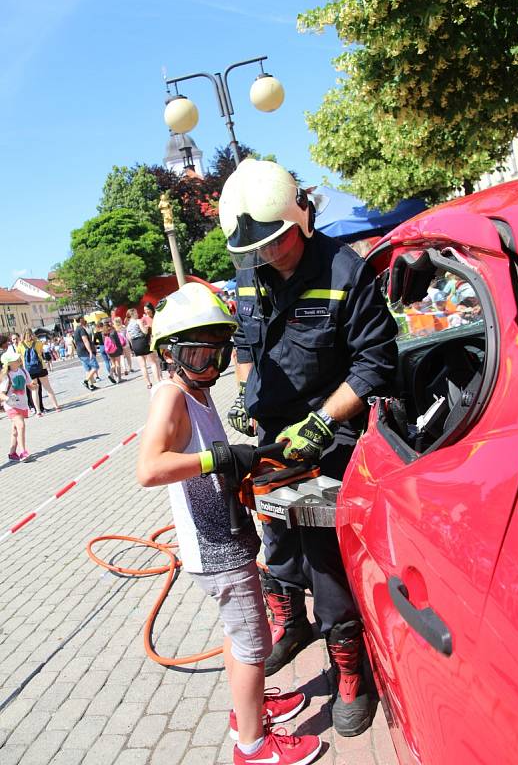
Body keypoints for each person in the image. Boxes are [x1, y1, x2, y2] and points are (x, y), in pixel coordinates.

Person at [219, 159, 398, 737]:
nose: (267, 255)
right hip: (273, 437)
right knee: (276, 541)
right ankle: (290, 625)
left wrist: (322, 422)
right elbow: (248, 341)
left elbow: (376, 362)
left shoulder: (347, 271)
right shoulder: (251, 270)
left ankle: (350, 670)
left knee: (325, 559)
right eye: (257, 248)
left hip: (332, 432)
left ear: (303, 219)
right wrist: (245, 391)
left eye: (276, 241)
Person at [137, 284, 321, 765]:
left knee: (239, 634)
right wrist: (215, 457)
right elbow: (149, 468)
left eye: (217, 354)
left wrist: (250, 461)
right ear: (169, 354)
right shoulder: (171, 396)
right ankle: (253, 747)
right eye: (197, 355)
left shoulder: (194, 391)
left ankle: (249, 708)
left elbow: (213, 461)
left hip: (227, 538)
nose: (209, 367)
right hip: (215, 549)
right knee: (253, 641)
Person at [0, 350, 36, 461]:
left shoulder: (23, 371)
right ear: (9, 363)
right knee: (21, 425)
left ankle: (12, 454)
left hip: (22, 403)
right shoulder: (6, 376)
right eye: (15, 359)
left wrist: (33, 385)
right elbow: (1, 394)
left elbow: (30, 385)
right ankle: (23, 452)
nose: (18, 360)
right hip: (11, 405)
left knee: (15, 429)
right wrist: (8, 399)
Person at [18, 329, 60, 413]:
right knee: (48, 388)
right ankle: (56, 407)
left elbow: (20, 357)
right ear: (32, 334)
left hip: (29, 370)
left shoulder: (20, 345)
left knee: (34, 390)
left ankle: (38, 411)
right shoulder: (38, 343)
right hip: (41, 368)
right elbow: (41, 353)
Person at [126, 308, 160, 389]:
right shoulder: (138, 321)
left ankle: (148, 383)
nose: (138, 314)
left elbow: (129, 338)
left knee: (142, 366)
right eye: (136, 313)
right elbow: (144, 331)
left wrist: (132, 348)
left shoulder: (128, 326)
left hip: (134, 344)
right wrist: (147, 327)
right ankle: (158, 381)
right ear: (133, 314)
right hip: (142, 342)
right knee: (153, 363)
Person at [73, 316, 99, 391]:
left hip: (80, 352)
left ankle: (91, 385)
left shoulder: (76, 330)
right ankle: (86, 381)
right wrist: (90, 351)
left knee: (88, 369)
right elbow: (85, 340)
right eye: (83, 319)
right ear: (80, 320)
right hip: (85, 352)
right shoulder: (81, 329)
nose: (84, 320)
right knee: (95, 366)